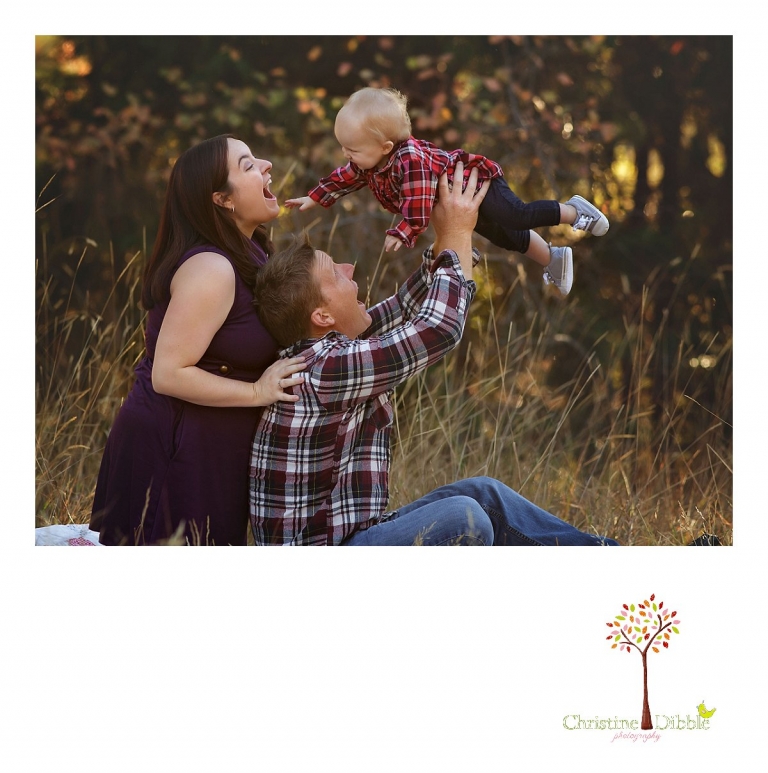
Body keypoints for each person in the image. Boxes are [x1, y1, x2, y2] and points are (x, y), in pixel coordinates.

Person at [251, 163, 618, 546]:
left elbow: (406, 308)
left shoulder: (329, 352)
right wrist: (455, 232)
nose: (348, 267)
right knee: (465, 516)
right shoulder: (323, 369)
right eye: (335, 274)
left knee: (484, 494)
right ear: (322, 315)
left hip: (354, 540)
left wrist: (453, 234)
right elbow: (437, 330)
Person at [90, 135, 306, 546]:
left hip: (210, 446)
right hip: (174, 447)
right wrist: (258, 390)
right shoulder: (212, 268)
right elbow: (169, 374)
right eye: (247, 165)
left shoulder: (252, 250)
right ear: (222, 199)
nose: (266, 165)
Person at [286, 87, 610, 297]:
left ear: (384, 146)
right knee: (503, 235)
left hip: (474, 182)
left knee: (515, 215)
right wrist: (315, 197)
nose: (346, 155)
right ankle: (552, 258)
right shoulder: (369, 162)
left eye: (352, 149)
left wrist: (403, 231)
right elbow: (345, 177)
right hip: (459, 199)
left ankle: (574, 211)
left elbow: (418, 200)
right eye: (344, 147)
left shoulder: (408, 159)